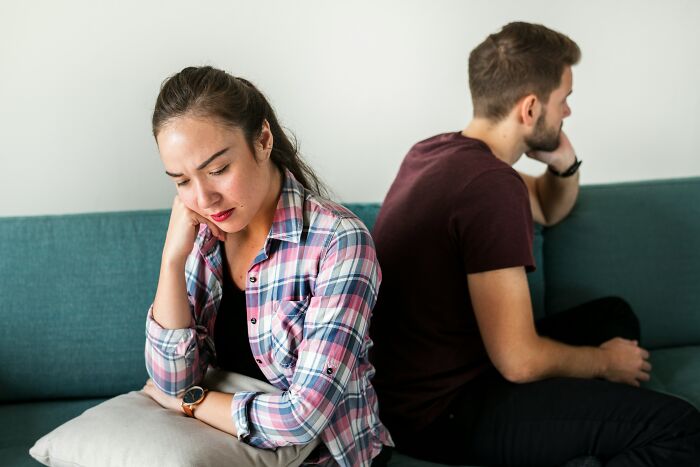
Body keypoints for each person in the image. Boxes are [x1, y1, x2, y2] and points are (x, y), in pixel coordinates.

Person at [369, 22, 700, 466]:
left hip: (424, 383)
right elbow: (519, 361)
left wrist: (563, 162)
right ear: (530, 108)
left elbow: (547, 207)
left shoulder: (435, 153)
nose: (566, 113)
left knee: (614, 317)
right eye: (563, 99)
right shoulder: (490, 185)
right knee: (683, 430)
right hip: (441, 413)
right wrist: (604, 364)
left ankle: (578, 427)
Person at [141, 66, 393, 467]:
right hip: (228, 452)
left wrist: (192, 401)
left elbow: (302, 419)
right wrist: (171, 262)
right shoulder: (201, 237)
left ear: (262, 140)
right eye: (182, 181)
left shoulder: (339, 241)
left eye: (219, 169)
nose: (204, 197)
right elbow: (170, 378)